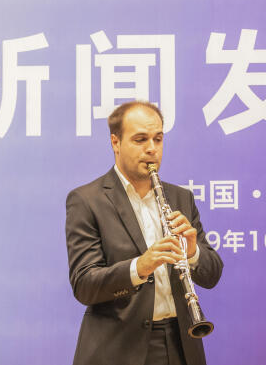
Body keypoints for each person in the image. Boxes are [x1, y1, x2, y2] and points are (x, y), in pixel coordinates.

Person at [66, 100, 223, 365]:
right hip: (118, 350)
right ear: (115, 142)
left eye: (158, 139)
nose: (152, 149)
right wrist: (139, 267)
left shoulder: (181, 197)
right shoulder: (87, 200)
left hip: (182, 345)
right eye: (140, 140)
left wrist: (193, 252)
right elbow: (85, 285)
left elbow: (212, 275)